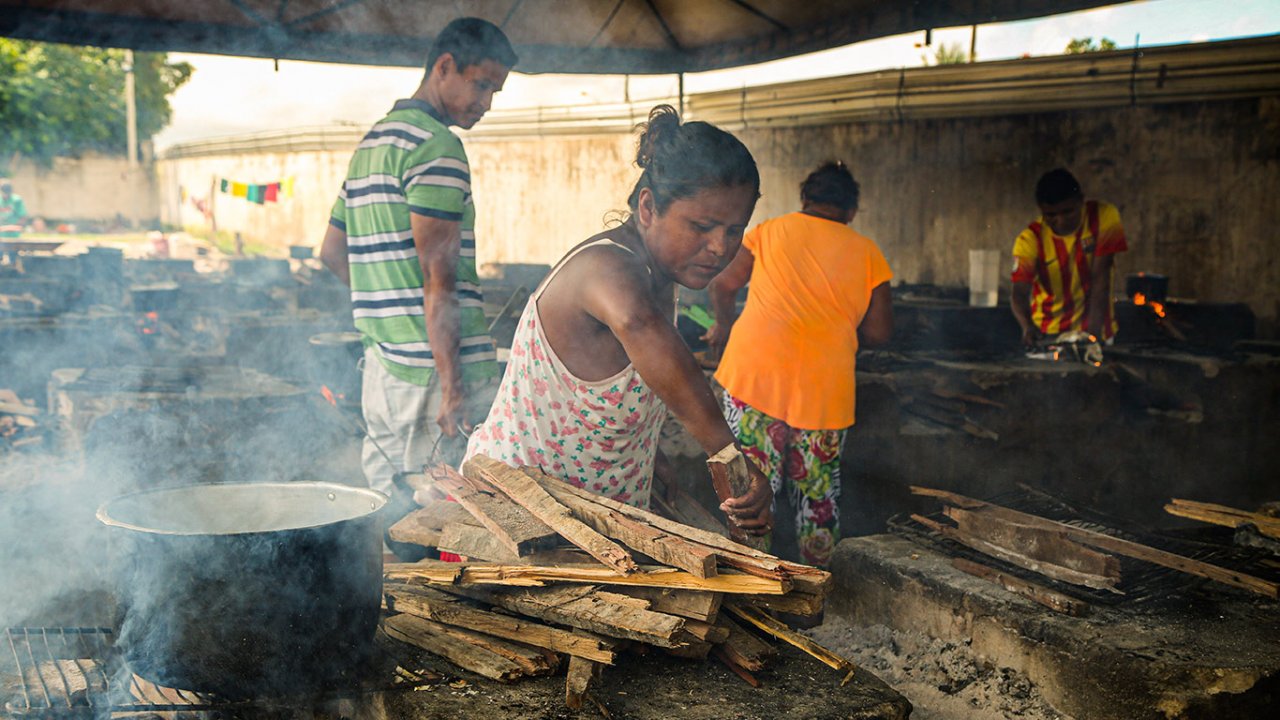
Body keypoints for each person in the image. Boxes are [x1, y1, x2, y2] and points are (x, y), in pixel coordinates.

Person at [463, 104, 772, 535]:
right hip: (518, 522)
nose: (720, 247)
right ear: (647, 208)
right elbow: (639, 325)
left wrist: (643, 452)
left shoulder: (665, 276)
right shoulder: (605, 268)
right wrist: (730, 455)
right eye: (702, 226)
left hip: (595, 523)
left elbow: (604, 396)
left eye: (734, 230)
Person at [319, 18, 516, 499]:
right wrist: (451, 389)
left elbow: (330, 252)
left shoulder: (372, 144)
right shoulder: (438, 147)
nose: (487, 102)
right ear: (444, 67)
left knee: (389, 509)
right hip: (432, 375)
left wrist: (386, 305)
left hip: (382, 366)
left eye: (497, 90)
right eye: (482, 84)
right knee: (442, 515)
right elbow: (439, 281)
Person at [706, 161, 893, 567]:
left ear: (805, 199)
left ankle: (751, 583)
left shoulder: (771, 231)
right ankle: (817, 590)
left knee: (748, 489)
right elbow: (880, 332)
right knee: (818, 498)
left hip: (755, 376)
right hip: (824, 390)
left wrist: (723, 324)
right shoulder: (868, 252)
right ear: (851, 211)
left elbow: (723, 283)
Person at [1010, 168, 1128, 347]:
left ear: (1081, 201)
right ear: (1041, 210)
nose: (1061, 220)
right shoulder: (1030, 239)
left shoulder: (1103, 216)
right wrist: (1027, 326)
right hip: (1049, 335)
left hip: (1098, 331)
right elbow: (1019, 292)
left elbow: (1100, 279)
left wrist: (1091, 338)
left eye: (1068, 212)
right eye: (1051, 215)